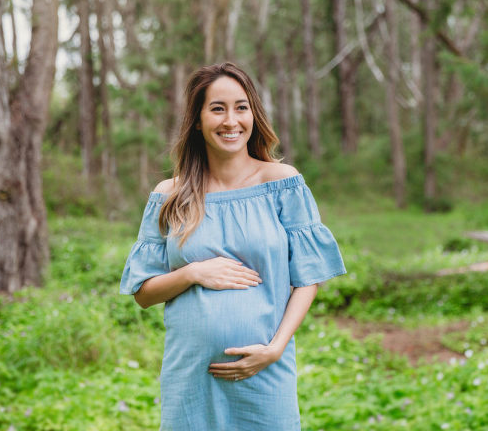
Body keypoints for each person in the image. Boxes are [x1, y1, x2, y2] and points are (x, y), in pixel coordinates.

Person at [119, 61, 346, 430]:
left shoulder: (282, 183)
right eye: (217, 108)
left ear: (253, 114)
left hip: (264, 371)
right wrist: (193, 272)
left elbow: (308, 277)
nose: (231, 120)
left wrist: (274, 349)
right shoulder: (169, 195)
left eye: (241, 107)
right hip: (191, 375)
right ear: (197, 120)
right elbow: (143, 293)